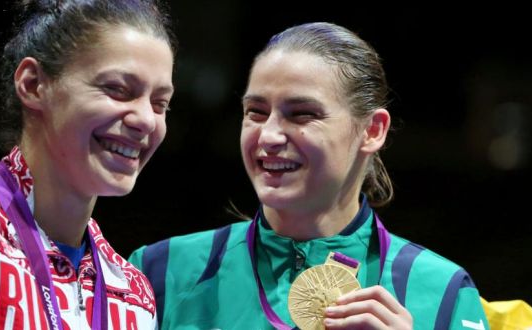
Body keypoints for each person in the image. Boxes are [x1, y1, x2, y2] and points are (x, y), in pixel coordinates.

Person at [129, 22, 489, 329]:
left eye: (301, 114)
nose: (268, 136)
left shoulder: (445, 293)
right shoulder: (160, 273)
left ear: (373, 130)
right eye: (255, 111)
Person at [0, 0, 175, 328]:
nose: (146, 120)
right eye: (117, 90)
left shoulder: (133, 295)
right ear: (33, 84)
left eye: (159, 103)